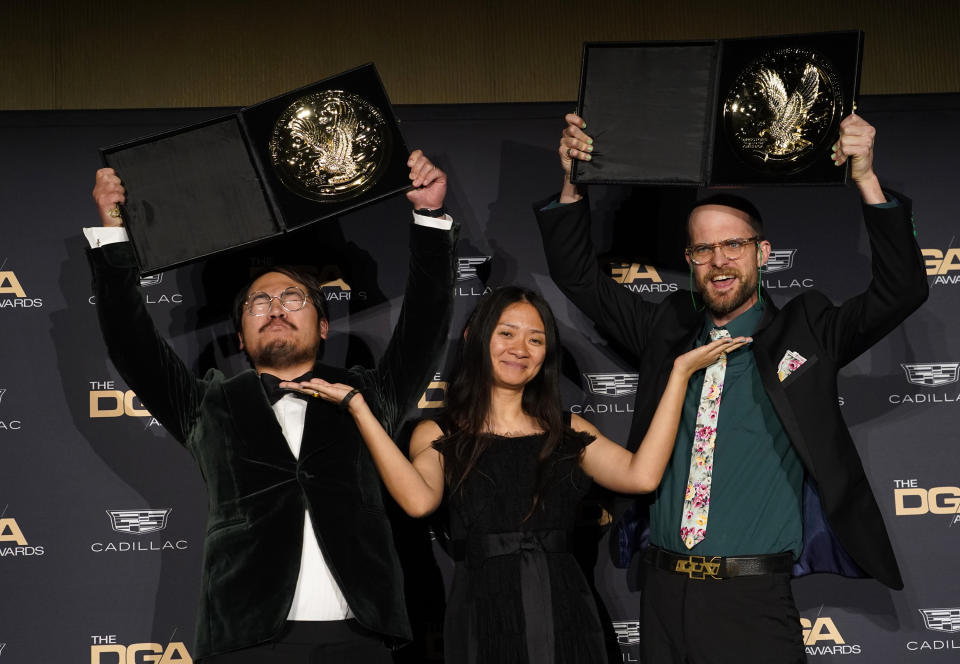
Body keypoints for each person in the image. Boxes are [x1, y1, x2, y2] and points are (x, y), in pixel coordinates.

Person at [534, 112, 929, 663]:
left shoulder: (808, 330)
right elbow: (577, 277)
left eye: (734, 245)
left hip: (753, 599)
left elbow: (901, 290)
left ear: (762, 254)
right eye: (702, 250)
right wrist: (574, 180)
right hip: (664, 592)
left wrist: (865, 179)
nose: (719, 261)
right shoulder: (664, 330)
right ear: (690, 261)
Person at [86, 150, 458, 663]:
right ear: (240, 335)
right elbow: (130, 341)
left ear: (324, 327)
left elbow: (425, 322)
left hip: (359, 637)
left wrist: (431, 218)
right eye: (259, 303)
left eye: (293, 298)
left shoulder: (368, 397)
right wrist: (112, 234)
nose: (276, 307)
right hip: (247, 640)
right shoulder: (208, 406)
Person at [284, 286, 749, 663]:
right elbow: (418, 502)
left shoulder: (568, 430)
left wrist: (679, 376)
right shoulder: (437, 431)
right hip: (482, 611)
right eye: (507, 333)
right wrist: (358, 408)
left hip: (568, 606)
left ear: (546, 354)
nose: (519, 349)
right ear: (477, 337)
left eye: (535, 338)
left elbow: (641, 476)